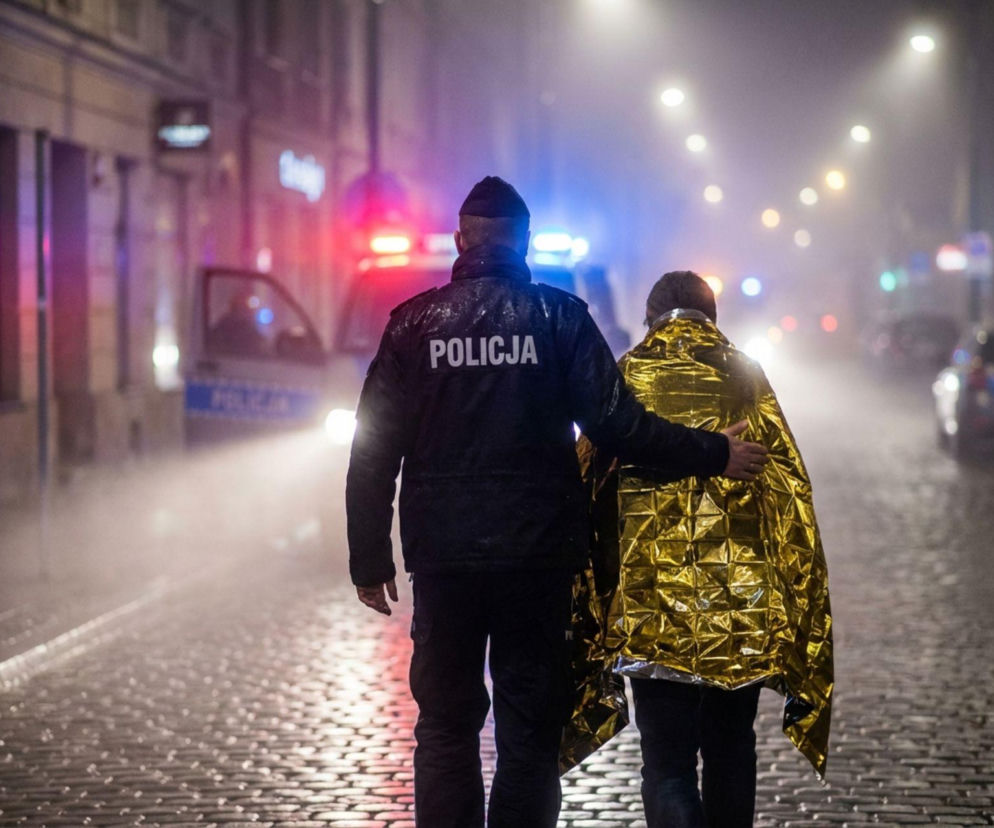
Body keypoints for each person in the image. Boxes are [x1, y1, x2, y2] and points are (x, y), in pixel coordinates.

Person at [345, 179, 769, 828]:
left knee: (447, 725)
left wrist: (369, 558)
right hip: (537, 559)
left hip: (444, 560)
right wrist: (713, 452)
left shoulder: (412, 324)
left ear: (460, 240)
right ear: (526, 244)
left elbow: (372, 449)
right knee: (529, 730)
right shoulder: (560, 318)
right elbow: (621, 427)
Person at [580, 270, 834, 827]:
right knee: (731, 749)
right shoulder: (745, 375)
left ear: (649, 320)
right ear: (714, 319)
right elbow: (789, 487)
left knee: (667, 764)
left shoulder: (630, 373)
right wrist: (798, 592)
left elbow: (588, 480)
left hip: (651, 602)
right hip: (740, 601)